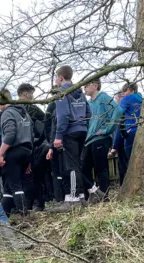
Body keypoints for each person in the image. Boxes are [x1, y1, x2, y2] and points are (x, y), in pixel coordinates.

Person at [50, 65, 92, 212]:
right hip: (82, 130)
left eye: (56, 77)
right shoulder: (80, 91)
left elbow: (63, 115)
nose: (56, 80)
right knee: (77, 164)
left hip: (69, 132)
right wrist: (82, 124)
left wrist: (58, 135)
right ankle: (80, 196)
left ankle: (73, 199)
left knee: (71, 166)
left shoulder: (62, 92)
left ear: (61, 78)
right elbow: (88, 111)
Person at [82, 78, 122, 202]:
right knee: (83, 168)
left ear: (95, 85)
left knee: (101, 168)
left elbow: (118, 111)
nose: (84, 88)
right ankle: (92, 194)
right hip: (89, 140)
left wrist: (106, 130)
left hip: (101, 138)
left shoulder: (104, 98)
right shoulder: (88, 103)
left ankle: (104, 196)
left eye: (87, 85)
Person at [0, 90, 33, 216]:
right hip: (26, 151)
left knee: (15, 185)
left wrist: (0, 154)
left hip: (13, 152)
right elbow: (31, 136)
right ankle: (4, 215)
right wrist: (29, 160)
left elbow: (10, 134)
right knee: (8, 186)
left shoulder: (7, 113)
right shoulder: (25, 114)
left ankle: (25, 215)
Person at [17, 83, 48, 211]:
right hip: (33, 146)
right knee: (35, 176)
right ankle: (38, 203)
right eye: (32, 93)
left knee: (27, 177)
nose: (33, 96)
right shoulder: (31, 108)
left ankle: (30, 204)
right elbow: (46, 121)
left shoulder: (12, 108)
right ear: (26, 94)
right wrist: (41, 140)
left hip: (20, 147)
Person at [109, 81, 142, 183]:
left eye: (125, 91)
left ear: (129, 89)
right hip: (141, 130)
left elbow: (119, 114)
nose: (123, 94)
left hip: (130, 131)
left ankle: (132, 184)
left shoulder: (127, 99)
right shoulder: (142, 99)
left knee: (130, 162)